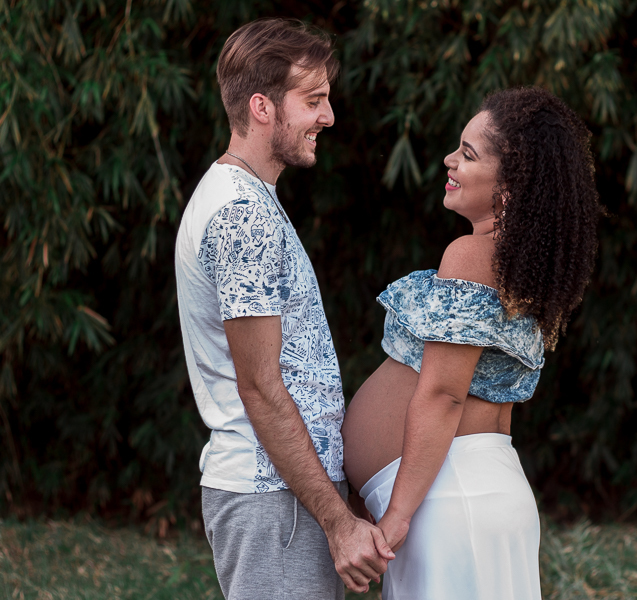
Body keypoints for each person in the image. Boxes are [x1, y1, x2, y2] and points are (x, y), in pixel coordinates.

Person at [341, 86, 602, 599]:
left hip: (448, 500)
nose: (449, 159)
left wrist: (396, 513)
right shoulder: (514, 265)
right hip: (468, 492)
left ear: (511, 183)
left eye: (468, 152)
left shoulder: (471, 256)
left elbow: (444, 394)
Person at [174, 18, 392, 599]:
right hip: (272, 500)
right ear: (262, 107)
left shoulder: (248, 197)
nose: (329, 116)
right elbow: (262, 389)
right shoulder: (241, 214)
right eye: (314, 100)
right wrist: (338, 521)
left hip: (287, 498)